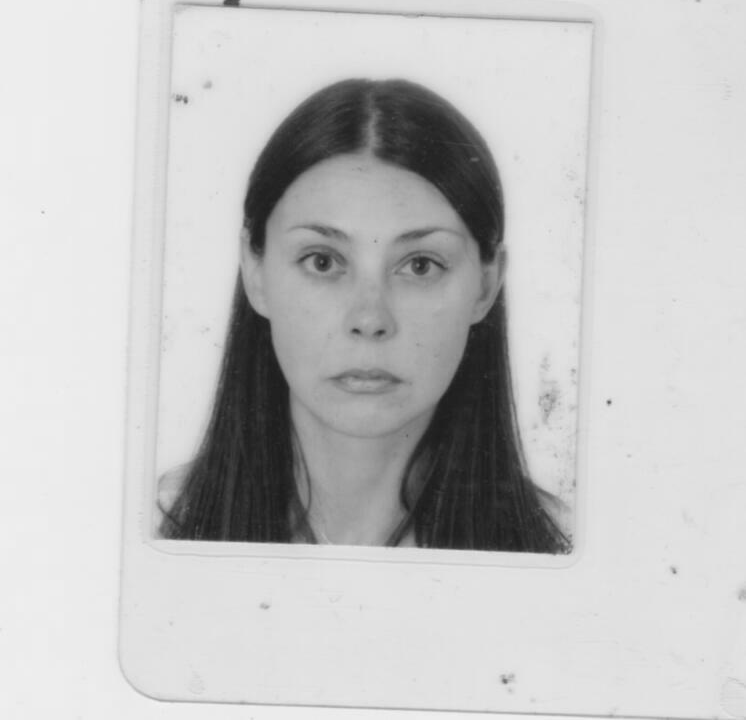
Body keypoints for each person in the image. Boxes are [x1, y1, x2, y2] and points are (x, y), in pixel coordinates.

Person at [158, 77, 570, 552]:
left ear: (487, 283)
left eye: (420, 265)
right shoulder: (144, 538)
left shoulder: (568, 556)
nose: (370, 318)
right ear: (255, 271)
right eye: (322, 262)